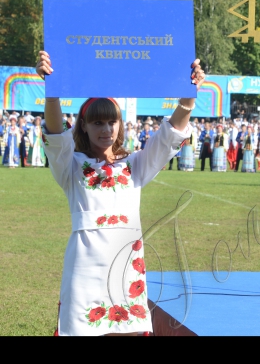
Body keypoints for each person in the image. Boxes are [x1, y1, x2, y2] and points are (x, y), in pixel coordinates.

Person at [35, 49, 204, 336]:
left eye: (111, 121)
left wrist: (189, 95)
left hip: (127, 268)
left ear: (120, 125)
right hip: (83, 269)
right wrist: (52, 91)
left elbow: (168, 137)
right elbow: (55, 136)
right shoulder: (71, 167)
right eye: (97, 122)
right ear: (84, 127)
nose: (106, 129)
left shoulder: (136, 164)